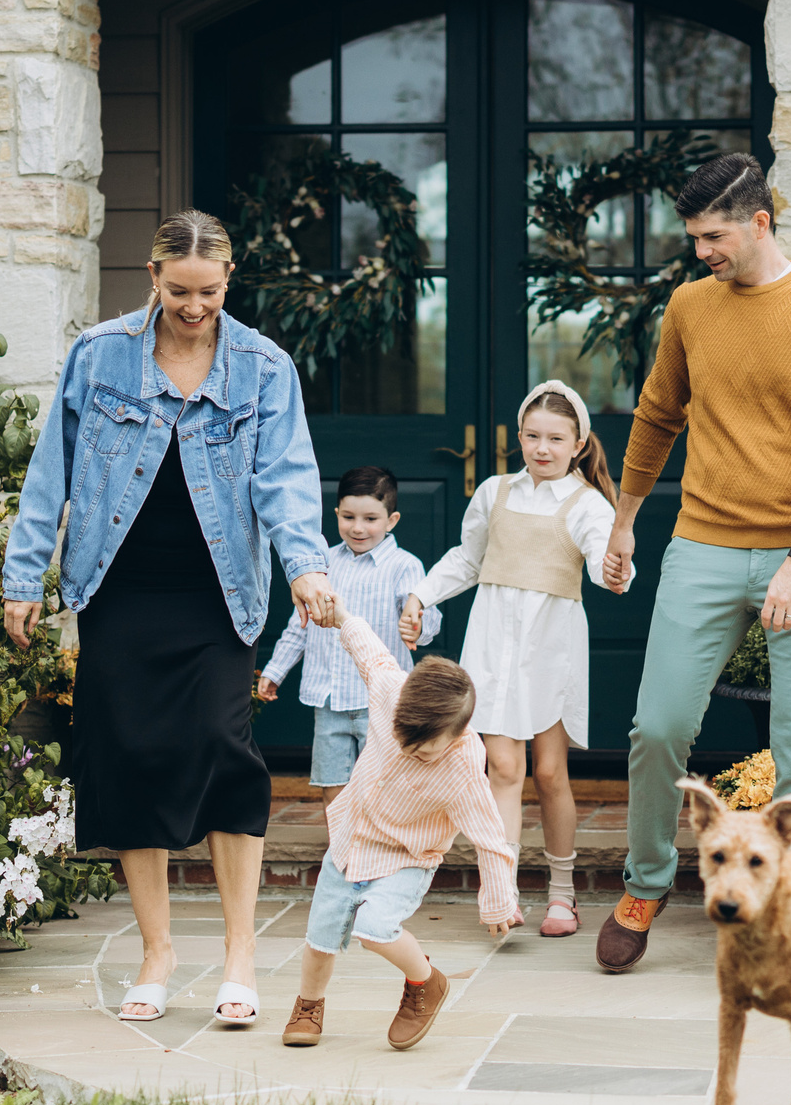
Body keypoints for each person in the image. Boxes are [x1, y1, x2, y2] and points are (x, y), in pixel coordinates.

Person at [2, 210, 339, 1028]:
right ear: (152, 277)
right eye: (180, 291)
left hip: (219, 593)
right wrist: (23, 574)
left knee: (225, 751)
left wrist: (306, 565)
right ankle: (156, 951)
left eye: (211, 293)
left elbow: (288, 480)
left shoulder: (263, 367)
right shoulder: (99, 353)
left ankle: (240, 955)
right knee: (128, 756)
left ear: (230, 282)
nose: (196, 307)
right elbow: (53, 472)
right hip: (118, 588)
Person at [593, 154, 791, 975]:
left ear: (759, 222)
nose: (700, 251)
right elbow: (656, 414)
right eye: (694, 238)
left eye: (712, 236)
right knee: (658, 727)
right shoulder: (690, 306)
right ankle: (645, 883)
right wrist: (624, 523)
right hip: (705, 543)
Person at [400, 381, 624, 940]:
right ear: (519, 437)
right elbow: (467, 558)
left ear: (578, 443)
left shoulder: (586, 503)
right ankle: (500, 892)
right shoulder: (495, 492)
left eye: (555, 438)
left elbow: (603, 562)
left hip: (551, 647)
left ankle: (563, 894)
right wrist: (421, 595)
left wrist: (618, 573)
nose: (541, 448)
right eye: (532, 436)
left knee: (549, 772)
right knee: (501, 768)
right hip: (494, 643)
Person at [280, 607, 519, 1051]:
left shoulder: (465, 765)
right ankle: (309, 1005)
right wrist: (338, 616)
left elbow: (490, 838)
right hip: (351, 840)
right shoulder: (392, 691)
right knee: (320, 938)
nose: (413, 753)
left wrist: (498, 903)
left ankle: (425, 982)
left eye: (425, 751)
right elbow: (370, 652)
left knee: (374, 928)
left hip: (408, 857)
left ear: (459, 734)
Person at [258, 465, 440, 805]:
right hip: (330, 698)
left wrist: (417, 623)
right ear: (337, 513)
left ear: (392, 520)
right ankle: (340, 855)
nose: (358, 528)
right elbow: (300, 625)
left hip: (381, 700)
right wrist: (274, 671)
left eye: (371, 519)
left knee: (384, 783)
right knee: (333, 782)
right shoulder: (323, 562)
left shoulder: (404, 565)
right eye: (348, 517)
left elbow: (423, 615)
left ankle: (378, 853)